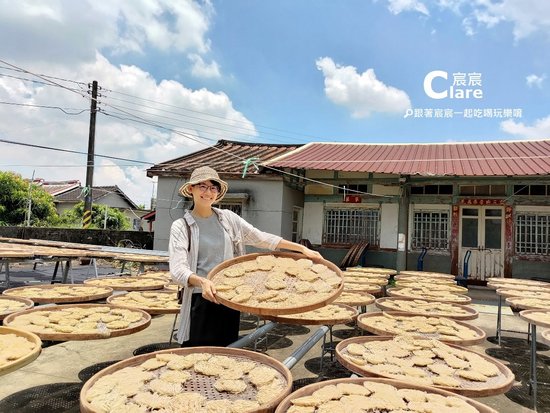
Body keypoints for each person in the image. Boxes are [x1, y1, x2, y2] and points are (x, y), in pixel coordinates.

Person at [169, 166, 322, 347]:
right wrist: (202, 282)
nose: (207, 192)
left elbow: (261, 238)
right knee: (198, 353)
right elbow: (177, 270)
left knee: (228, 351)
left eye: (213, 187)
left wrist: (301, 249)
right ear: (191, 189)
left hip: (230, 297)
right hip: (201, 299)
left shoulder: (228, 219)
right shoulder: (181, 226)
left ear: (217, 192)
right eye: (201, 186)